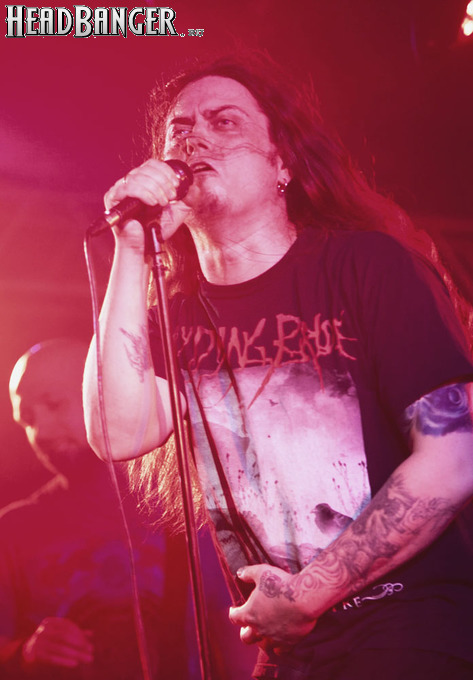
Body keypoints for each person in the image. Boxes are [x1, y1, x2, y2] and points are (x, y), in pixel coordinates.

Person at [82, 53, 473, 680]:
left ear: (282, 163)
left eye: (225, 122)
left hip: (413, 623)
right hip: (291, 652)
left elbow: (455, 456)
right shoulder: (172, 318)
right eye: (180, 129)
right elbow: (116, 432)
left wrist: (309, 593)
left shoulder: (366, 266)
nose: (195, 138)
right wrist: (131, 248)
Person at [0, 338, 196, 679]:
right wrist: (25, 652)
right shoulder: (14, 529)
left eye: (54, 404)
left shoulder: (182, 505)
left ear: (103, 395)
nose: (40, 432)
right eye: (27, 419)